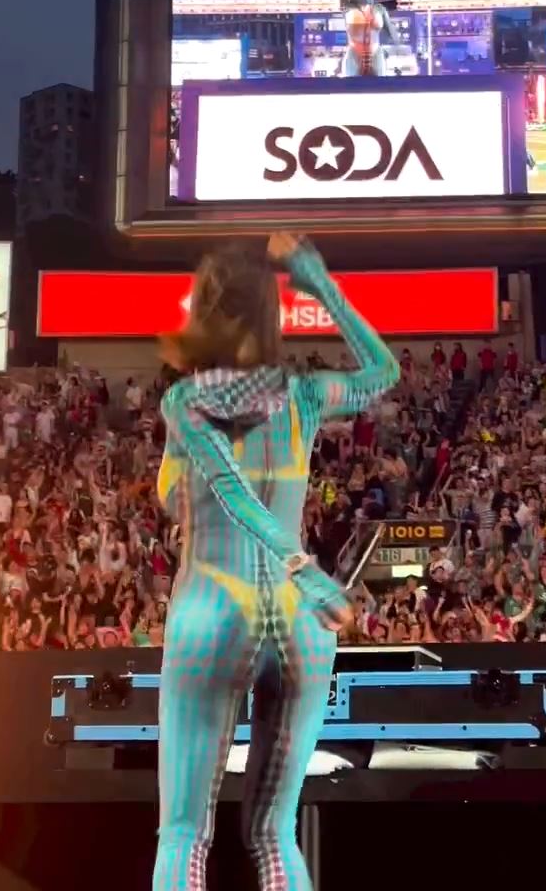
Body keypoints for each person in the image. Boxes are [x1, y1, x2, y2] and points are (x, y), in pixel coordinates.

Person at [152, 233, 399, 891]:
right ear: (272, 312)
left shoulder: (183, 403)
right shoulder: (305, 394)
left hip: (213, 609)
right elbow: (383, 371)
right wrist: (316, 277)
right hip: (300, 622)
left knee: (183, 834)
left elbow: (229, 490)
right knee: (273, 834)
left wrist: (303, 567)